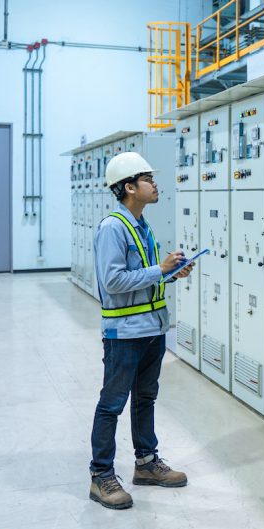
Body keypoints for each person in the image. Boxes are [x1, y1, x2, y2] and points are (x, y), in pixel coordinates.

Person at [88, 151, 193, 510]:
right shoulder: (113, 228)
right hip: (124, 333)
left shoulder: (142, 226)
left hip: (151, 329)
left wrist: (168, 273)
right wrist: (157, 269)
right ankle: (101, 475)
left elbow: (142, 280)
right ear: (129, 187)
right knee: (112, 404)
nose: (155, 183)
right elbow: (113, 281)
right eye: (148, 179)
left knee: (145, 398)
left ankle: (146, 463)